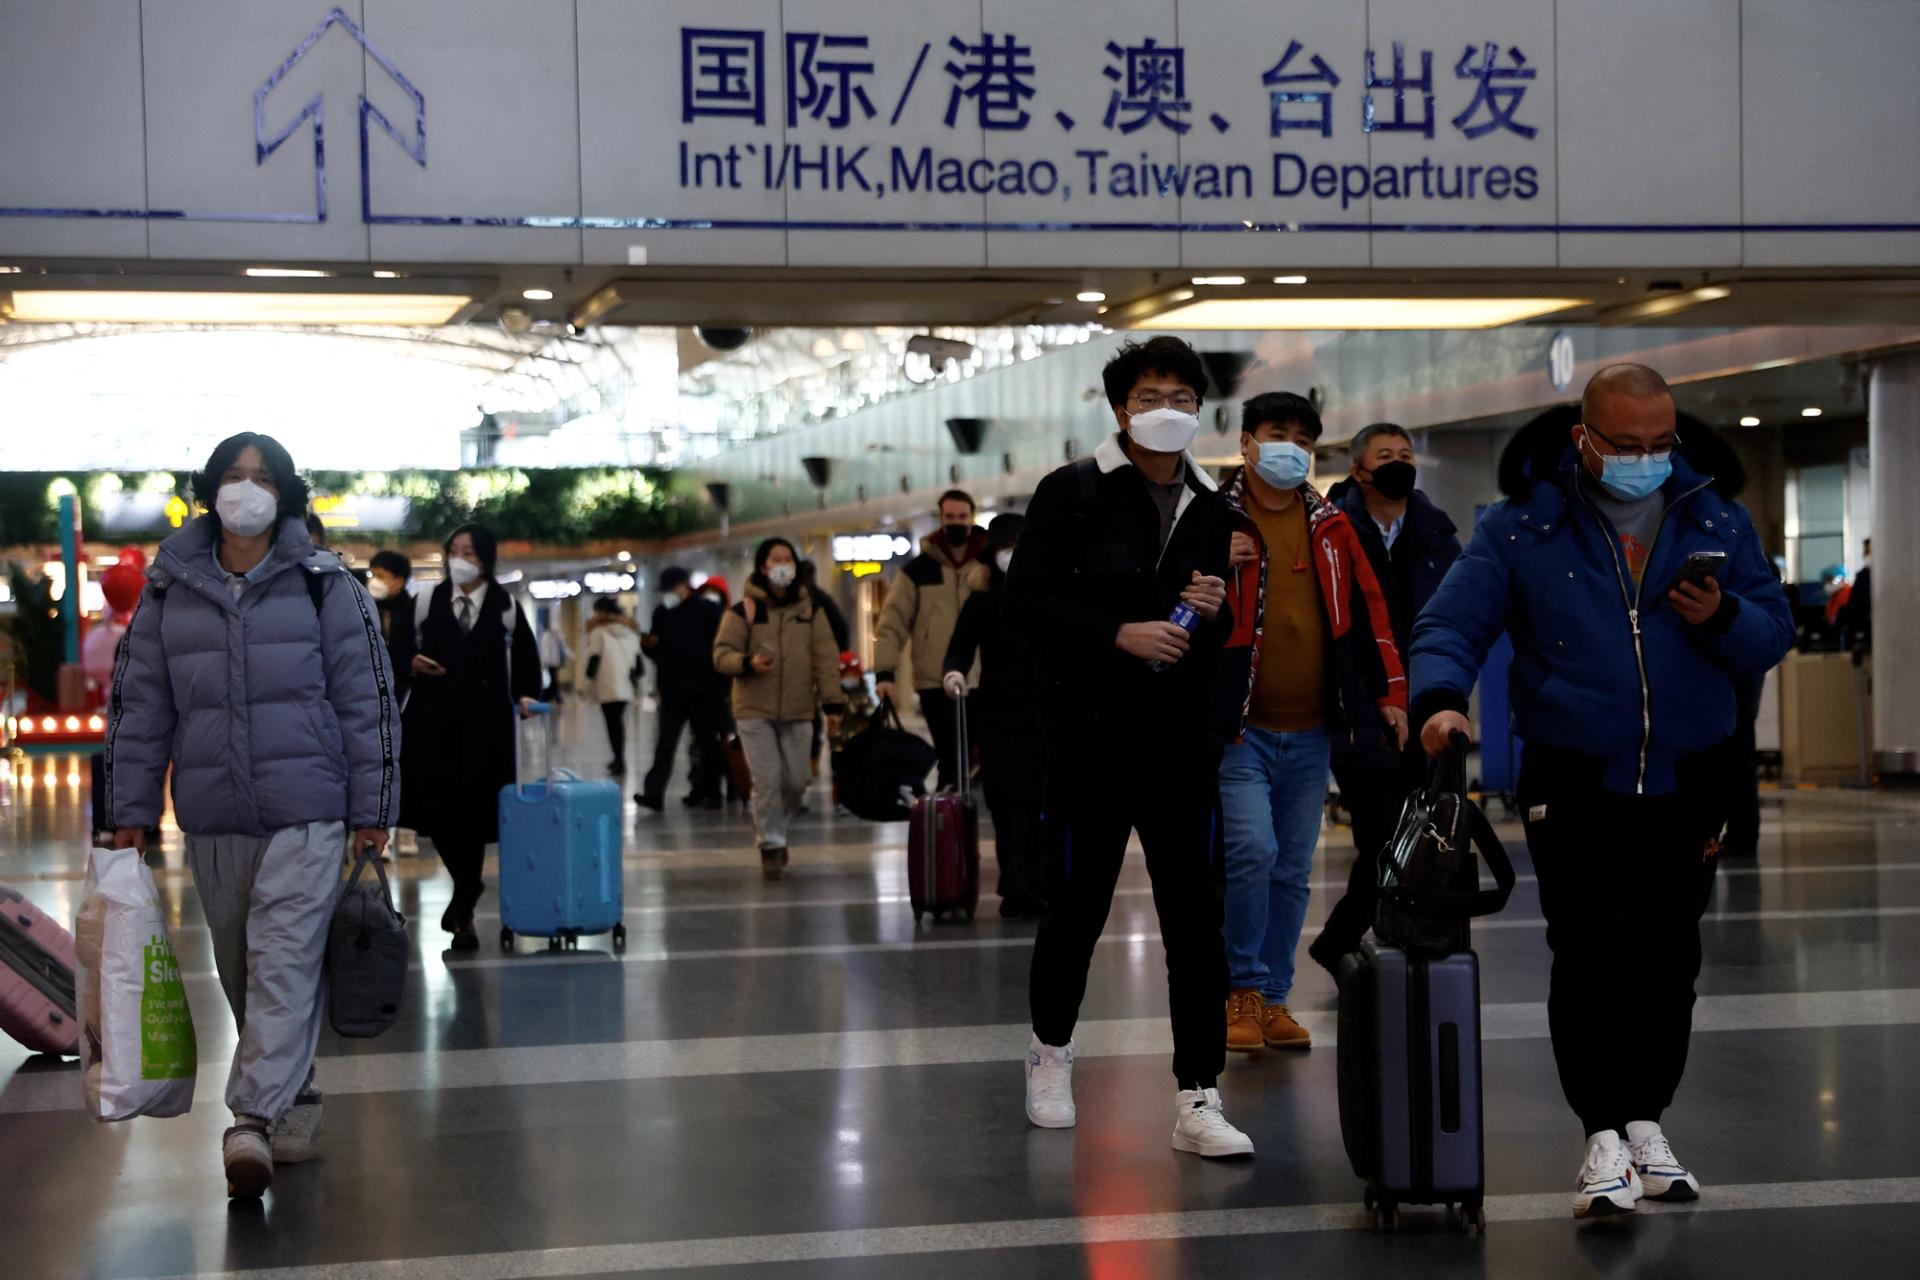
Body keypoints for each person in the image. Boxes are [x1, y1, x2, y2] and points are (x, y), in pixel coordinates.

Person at [1411, 363, 1794, 1219]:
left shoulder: (1715, 520)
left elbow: (1772, 633)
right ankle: (1600, 1139)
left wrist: (1721, 616)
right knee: (1589, 949)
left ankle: (1647, 1122)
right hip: (1575, 776)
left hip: (1691, 776)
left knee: (1669, 955)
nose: (1645, 459)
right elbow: (1450, 623)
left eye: (1661, 445)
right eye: (1626, 446)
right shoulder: (1522, 531)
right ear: (1583, 438)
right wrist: (1438, 703)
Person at [106, 431, 399, 1197]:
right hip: (213, 814)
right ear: (210, 490)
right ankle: (290, 1090)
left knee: (285, 959)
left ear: (286, 493)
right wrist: (127, 813)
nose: (247, 489)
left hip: (309, 807)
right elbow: (140, 707)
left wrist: (373, 808)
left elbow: (366, 702)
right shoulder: (170, 590)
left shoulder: (323, 585)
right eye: (233, 477)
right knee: (243, 967)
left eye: (262, 477)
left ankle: (249, 1122)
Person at [1004, 335, 1250, 1159]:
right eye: (1151, 397)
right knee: (1075, 907)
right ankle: (1050, 1052)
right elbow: (1028, 603)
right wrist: (1119, 633)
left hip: (1180, 748)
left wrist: (1206, 614)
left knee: (1197, 922)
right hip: (1088, 742)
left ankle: (1199, 1093)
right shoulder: (1070, 493)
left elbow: (1208, 638)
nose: (1169, 412)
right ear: (1120, 409)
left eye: (1183, 398)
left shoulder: (1215, 509)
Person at [1212, 394, 1407, 1056]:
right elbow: (1175, 601)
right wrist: (1215, 564)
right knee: (1252, 853)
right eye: (1277, 434)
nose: (1291, 446)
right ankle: (1240, 988)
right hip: (1240, 728)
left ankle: (1271, 999)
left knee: (1294, 866)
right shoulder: (1213, 519)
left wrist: (1392, 692)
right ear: (1246, 443)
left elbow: (1371, 610)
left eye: (1303, 437)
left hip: (1314, 728)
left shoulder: (1332, 526)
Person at [1307, 422, 1462, 977]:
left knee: (1413, 836)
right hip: (1363, 711)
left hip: (1427, 706)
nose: (1399, 463)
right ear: (1358, 470)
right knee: (1381, 836)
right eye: (1385, 455)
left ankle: (1361, 940)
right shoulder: (1330, 531)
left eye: (1405, 454)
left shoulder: (1436, 533)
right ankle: (1343, 940)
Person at [398, 523, 542, 951]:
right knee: (440, 813)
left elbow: (528, 664)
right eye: (455, 550)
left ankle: (463, 910)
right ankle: (468, 888)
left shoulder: (505, 608)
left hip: (487, 728)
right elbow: (394, 650)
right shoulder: (425, 602)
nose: (460, 559)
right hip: (432, 725)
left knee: (474, 815)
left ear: (486, 559)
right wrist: (411, 663)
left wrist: (527, 696)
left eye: (470, 552)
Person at [711, 539, 844, 879]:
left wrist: (832, 704)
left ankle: (776, 828)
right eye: (776, 559)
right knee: (767, 781)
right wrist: (747, 662)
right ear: (763, 567)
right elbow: (721, 654)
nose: (783, 565)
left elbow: (826, 660)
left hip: (799, 709)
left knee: (798, 781)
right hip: (754, 709)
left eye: (788, 559)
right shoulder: (744, 611)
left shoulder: (811, 611)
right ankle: (770, 844)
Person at [942, 513, 1047, 919]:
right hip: (1000, 715)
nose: (1012, 556)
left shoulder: (1046, 595)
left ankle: (1040, 882)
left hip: (1042, 714)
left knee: (1040, 803)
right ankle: (1016, 884)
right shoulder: (983, 600)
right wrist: (953, 672)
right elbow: (960, 646)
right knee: (1006, 806)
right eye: (1006, 549)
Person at [874, 490, 990, 789]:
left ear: (972, 518)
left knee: (982, 755)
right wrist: (885, 672)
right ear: (940, 518)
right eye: (949, 517)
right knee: (951, 756)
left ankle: (967, 813)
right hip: (935, 679)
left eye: (962, 516)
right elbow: (892, 622)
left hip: (984, 677)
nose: (956, 522)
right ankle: (948, 819)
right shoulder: (918, 570)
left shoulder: (987, 566)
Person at [638, 567, 731, 811]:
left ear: (683, 586)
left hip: (704, 690)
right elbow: (656, 651)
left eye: (671, 589)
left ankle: (712, 794)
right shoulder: (662, 613)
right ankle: (653, 794)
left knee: (707, 744)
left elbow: (722, 646)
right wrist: (649, 646)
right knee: (665, 745)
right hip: (672, 691)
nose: (667, 595)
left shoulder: (708, 610)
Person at [585, 597, 643, 776]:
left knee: (612, 724)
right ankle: (619, 759)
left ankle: (619, 760)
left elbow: (594, 660)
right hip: (625, 684)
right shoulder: (631, 632)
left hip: (607, 684)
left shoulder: (598, 632)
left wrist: (588, 679)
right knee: (618, 723)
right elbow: (639, 664)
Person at [539, 612, 573, 705]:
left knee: (553, 679)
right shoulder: (546, 636)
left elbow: (564, 647)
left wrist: (571, 655)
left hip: (555, 661)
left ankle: (551, 696)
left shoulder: (557, 636)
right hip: (549, 662)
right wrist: (543, 662)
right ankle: (553, 697)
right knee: (553, 679)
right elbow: (544, 651)